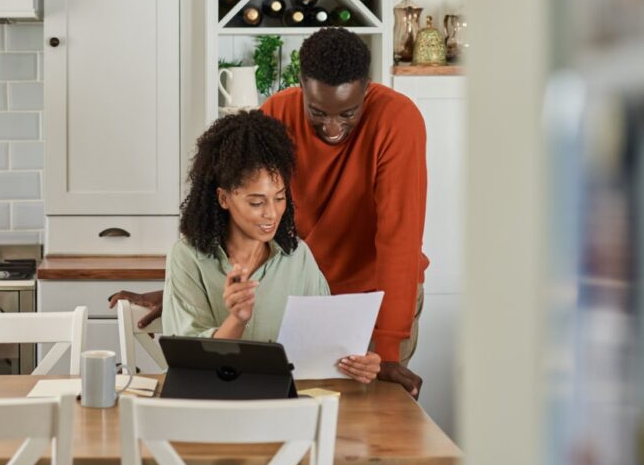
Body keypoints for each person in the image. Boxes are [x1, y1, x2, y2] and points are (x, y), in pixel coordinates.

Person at [112, 28, 428, 395]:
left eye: (348, 113)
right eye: (318, 112)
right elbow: (243, 209)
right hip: (298, 291)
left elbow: (399, 238)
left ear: (367, 88)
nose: (332, 127)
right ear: (302, 86)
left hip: (376, 296)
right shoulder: (277, 114)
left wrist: (387, 350)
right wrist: (188, 287)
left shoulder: (398, 120)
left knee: (373, 420)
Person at [161, 110, 381, 383]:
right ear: (224, 198)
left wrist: (358, 362)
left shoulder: (298, 257)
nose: (272, 213)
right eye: (256, 202)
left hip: (285, 408)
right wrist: (237, 320)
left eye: (279, 198)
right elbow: (191, 364)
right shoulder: (187, 258)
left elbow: (325, 346)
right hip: (213, 408)